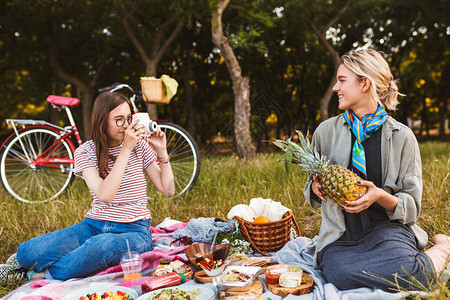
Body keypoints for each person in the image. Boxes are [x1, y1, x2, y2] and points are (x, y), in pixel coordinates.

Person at [304, 49, 450, 292]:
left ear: (365, 83)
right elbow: (311, 188)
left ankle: (443, 246)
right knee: (339, 276)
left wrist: (380, 196)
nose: (335, 88)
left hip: (387, 230)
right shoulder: (324, 132)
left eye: (342, 81)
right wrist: (316, 186)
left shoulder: (403, 137)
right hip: (343, 235)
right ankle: (428, 261)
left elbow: (411, 208)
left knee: (410, 275)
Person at [12, 92, 175, 281]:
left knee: (98, 247)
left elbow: (168, 190)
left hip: (135, 232)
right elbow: (105, 194)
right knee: (27, 253)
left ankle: (40, 275)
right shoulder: (86, 152)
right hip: (94, 224)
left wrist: (162, 151)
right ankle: (56, 262)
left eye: (128, 118)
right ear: (101, 121)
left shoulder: (140, 147)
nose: (126, 125)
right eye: (119, 120)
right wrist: (126, 149)